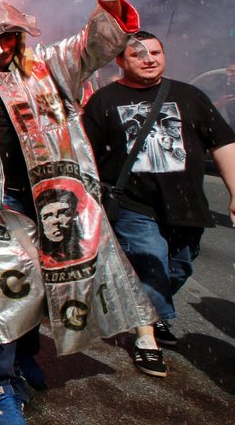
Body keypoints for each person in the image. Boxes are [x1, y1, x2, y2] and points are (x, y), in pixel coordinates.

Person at [0, 0, 156, 425]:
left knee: (43, 288)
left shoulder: (48, 67)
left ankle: (28, 354)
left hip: (55, 202)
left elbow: (94, 46)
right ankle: (3, 384)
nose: (4, 44)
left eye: (9, 34)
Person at [84, 31, 235, 377]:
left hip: (186, 204)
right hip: (134, 204)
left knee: (179, 267)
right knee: (149, 264)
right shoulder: (104, 101)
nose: (149, 59)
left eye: (155, 52)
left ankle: (152, 313)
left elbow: (223, 143)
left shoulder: (189, 95)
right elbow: (86, 154)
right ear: (121, 62)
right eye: (139, 55)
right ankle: (146, 339)